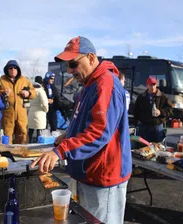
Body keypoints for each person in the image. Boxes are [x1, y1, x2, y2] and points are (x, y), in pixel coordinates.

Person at [31, 36, 132, 224]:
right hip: (89, 172)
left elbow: (99, 132)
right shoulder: (89, 84)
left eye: (73, 64)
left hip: (104, 175)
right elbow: (83, 121)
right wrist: (67, 136)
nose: (70, 70)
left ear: (91, 58)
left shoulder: (105, 83)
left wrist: (60, 151)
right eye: (67, 66)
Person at [0, 60, 36, 144]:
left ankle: (22, 153)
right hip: (8, 114)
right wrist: (3, 92)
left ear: (18, 69)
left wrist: (28, 93)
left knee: (23, 134)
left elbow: (34, 93)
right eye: (10, 68)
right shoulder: (2, 80)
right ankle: (7, 154)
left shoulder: (24, 80)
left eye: (15, 68)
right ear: (7, 70)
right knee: (7, 135)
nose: (13, 69)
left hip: (21, 114)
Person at [134, 76, 173, 143]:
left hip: (157, 126)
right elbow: (136, 110)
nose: (152, 87)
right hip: (144, 127)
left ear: (156, 85)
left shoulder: (163, 97)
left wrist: (160, 112)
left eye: (154, 85)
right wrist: (137, 123)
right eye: (150, 85)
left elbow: (170, 109)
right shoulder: (141, 97)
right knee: (143, 148)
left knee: (157, 148)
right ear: (147, 85)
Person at [27, 76, 49, 143]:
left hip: (31, 112)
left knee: (30, 130)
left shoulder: (31, 90)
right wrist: (46, 110)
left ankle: (28, 143)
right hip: (39, 113)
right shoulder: (41, 90)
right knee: (39, 131)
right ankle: (38, 146)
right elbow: (45, 103)